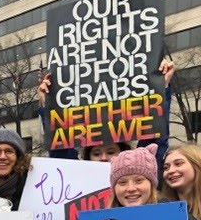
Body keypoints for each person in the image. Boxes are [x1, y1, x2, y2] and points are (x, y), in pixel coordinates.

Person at [37, 59, 175, 177]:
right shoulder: (77, 179)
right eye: (96, 153)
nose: (103, 158)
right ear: (87, 157)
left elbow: (155, 137)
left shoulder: (138, 178)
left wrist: (160, 88)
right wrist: (49, 104)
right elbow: (60, 149)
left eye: (111, 152)